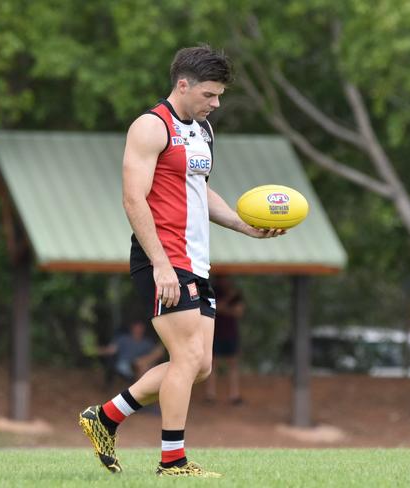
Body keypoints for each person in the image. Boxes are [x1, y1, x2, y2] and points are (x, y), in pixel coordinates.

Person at [78, 45, 285, 478]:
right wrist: (161, 263)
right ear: (183, 84)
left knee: (200, 365)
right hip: (163, 258)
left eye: (219, 95)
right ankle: (172, 461)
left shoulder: (204, 132)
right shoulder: (151, 127)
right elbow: (133, 198)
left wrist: (246, 227)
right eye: (210, 94)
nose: (216, 103)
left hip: (195, 259)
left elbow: (200, 193)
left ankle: (106, 417)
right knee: (188, 358)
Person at [204, 275, 245, 405]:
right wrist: (228, 301)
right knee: (213, 364)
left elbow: (239, 312)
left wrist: (224, 309)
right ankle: (210, 395)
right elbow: (214, 309)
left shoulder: (236, 294)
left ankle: (234, 395)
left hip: (231, 334)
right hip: (215, 334)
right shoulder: (213, 292)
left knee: (233, 364)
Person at [97, 320, 165, 383]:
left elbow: (156, 354)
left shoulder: (147, 342)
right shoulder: (124, 338)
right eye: (137, 327)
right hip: (124, 364)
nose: (139, 330)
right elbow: (111, 350)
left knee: (144, 365)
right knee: (142, 367)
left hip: (142, 364)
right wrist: (96, 351)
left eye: (141, 328)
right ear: (132, 328)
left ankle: (140, 388)